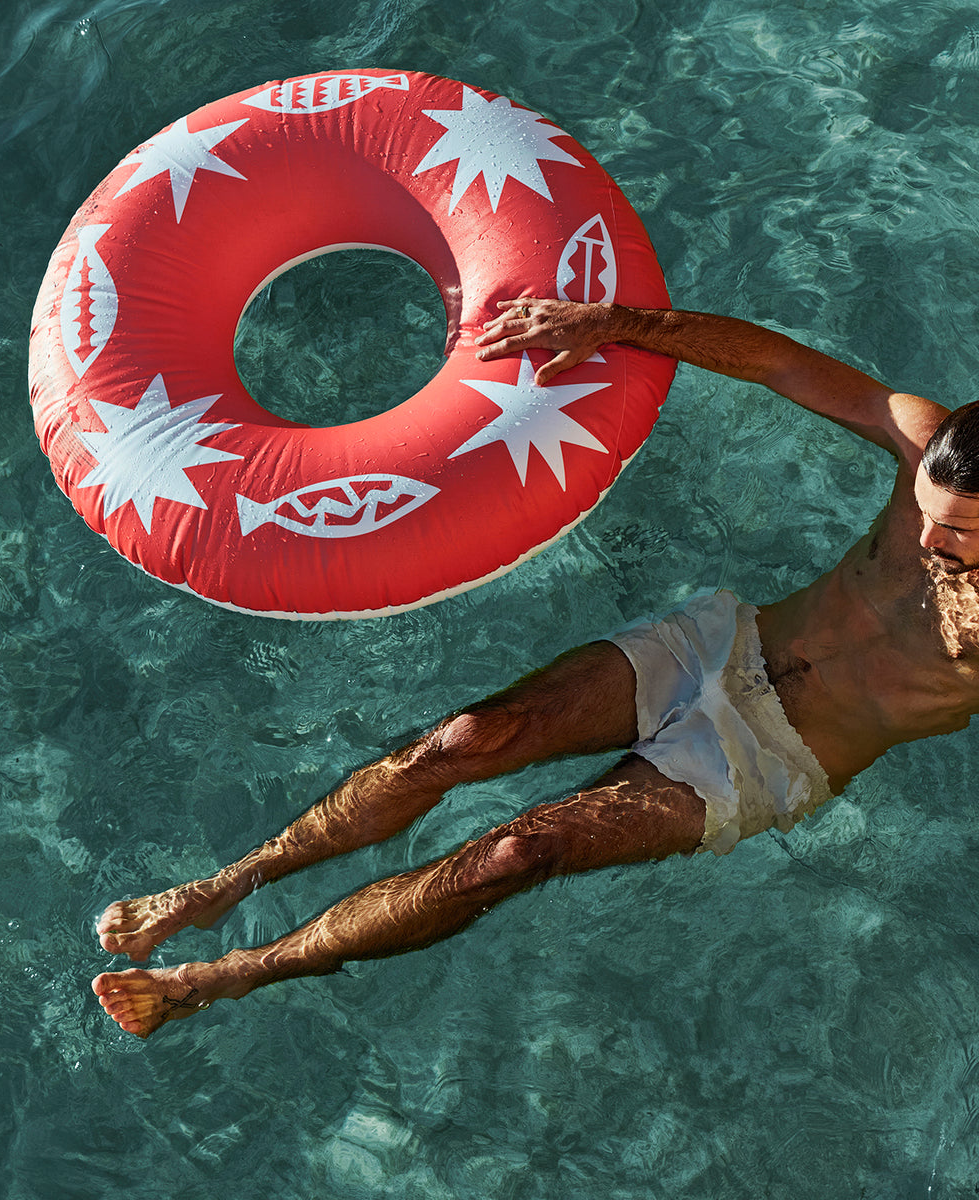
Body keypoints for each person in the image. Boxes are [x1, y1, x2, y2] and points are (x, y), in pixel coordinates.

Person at [92, 299, 979, 1038]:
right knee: (464, 739)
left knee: (514, 853)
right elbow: (781, 363)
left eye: (961, 535)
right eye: (927, 514)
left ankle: (238, 970)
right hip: (721, 646)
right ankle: (226, 885)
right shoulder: (925, 446)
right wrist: (618, 322)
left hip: (774, 756)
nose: (930, 540)